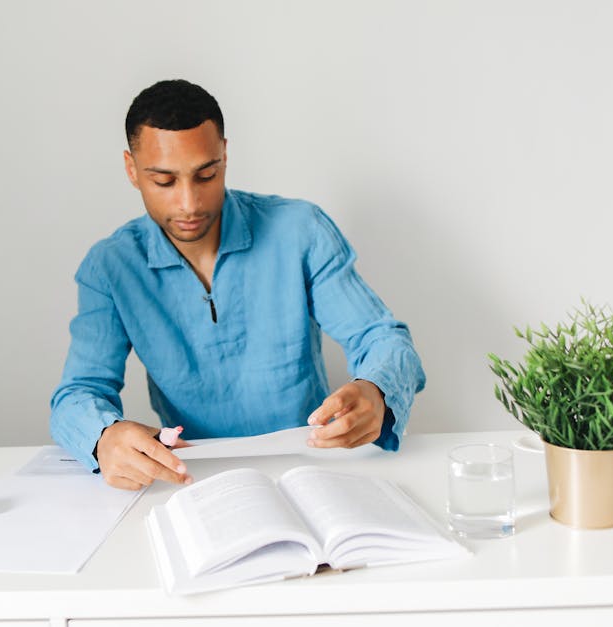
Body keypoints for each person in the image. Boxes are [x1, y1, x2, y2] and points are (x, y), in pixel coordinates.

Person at [50, 79, 425, 490]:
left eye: (206, 175)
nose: (189, 204)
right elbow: (77, 394)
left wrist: (375, 389)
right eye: (164, 182)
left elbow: (381, 338)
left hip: (313, 472)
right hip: (197, 482)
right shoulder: (110, 267)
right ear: (131, 169)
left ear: (224, 156)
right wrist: (104, 436)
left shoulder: (301, 231)